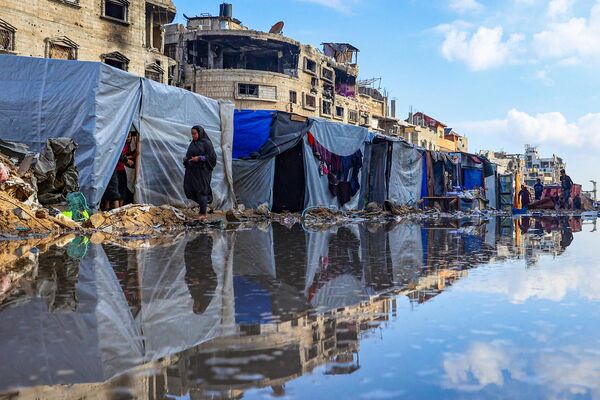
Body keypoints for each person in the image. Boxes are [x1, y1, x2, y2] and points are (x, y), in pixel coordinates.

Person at [183, 125, 217, 216]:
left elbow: (212, 157)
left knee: (202, 191)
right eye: (192, 134)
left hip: (203, 171)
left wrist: (200, 158)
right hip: (193, 172)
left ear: (200, 133)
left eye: (195, 134)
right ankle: (202, 209)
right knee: (191, 189)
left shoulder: (207, 143)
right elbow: (189, 156)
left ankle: (203, 214)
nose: (193, 136)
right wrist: (186, 160)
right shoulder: (192, 144)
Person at [117, 132, 136, 207]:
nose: (129, 138)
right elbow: (118, 155)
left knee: (123, 187)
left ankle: (120, 206)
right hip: (116, 168)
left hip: (121, 167)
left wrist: (131, 156)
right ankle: (116, 206)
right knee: (118, 187)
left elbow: (126, 155)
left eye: (130, 137)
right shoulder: (120, 144)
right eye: (127, 137)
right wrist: (127, 160)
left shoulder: (128, 144)